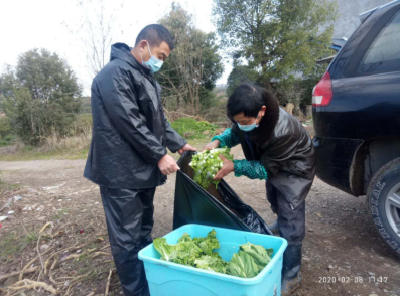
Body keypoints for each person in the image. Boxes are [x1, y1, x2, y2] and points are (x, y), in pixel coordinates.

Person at [84, 24, 196, 296]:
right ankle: (135, 291)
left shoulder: (146, 77)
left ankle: (148, 281)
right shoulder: (114, 73)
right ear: (143, 45)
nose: (161, 62)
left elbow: (158, 121)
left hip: (140, 170)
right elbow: (128, 121)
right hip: (119, 171)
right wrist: (159, 154)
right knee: (126, 237)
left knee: (143, 229)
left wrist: (179, 143)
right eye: (161, 55)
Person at [204, 84, 316, 294]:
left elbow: (264, 169)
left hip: (295, 169)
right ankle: (279, 220)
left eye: (245, 122)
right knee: (274, 197)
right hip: (273, 163)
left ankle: (292, 274)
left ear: (262, 111)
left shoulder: (284, 131)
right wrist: (218, 141)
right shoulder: (248, 117)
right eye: (237, 120)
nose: (241, 124)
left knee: (291, 211)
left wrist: (233, 166)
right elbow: (236, 132)